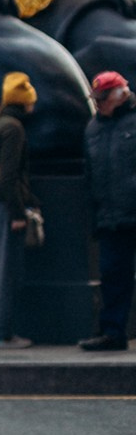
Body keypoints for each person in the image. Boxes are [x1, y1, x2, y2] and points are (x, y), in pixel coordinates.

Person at [0, 70, 39, 348]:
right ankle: (0, 333)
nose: (34, 106)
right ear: (23, 101)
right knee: (7, 271)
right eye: (31, 101)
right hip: (6, 207)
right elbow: (9, 177)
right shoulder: (14, 129)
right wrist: (17, 213)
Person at [83, 70, 136, 351]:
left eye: (103, 98)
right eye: (96, 98)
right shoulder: (93, 128)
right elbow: (90, 176)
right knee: (113, 277)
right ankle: (113, 333)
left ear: (121, 94)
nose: (98, 104)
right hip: (111, 218)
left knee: (116, 276)